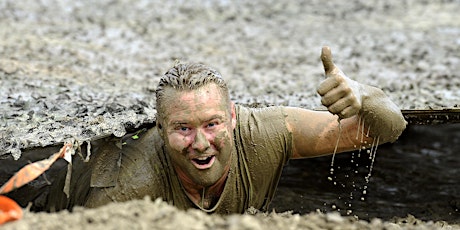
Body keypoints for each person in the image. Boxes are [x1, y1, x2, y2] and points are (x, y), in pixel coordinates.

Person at [2, 46, 407, 214]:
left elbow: (386, 128)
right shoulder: (130, 188)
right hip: (44, 194)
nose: (200, 144)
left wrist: (365, 95)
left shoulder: (266, 133)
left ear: (232, 116)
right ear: (161, 131)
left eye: (212, 124)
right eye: (182, 129)